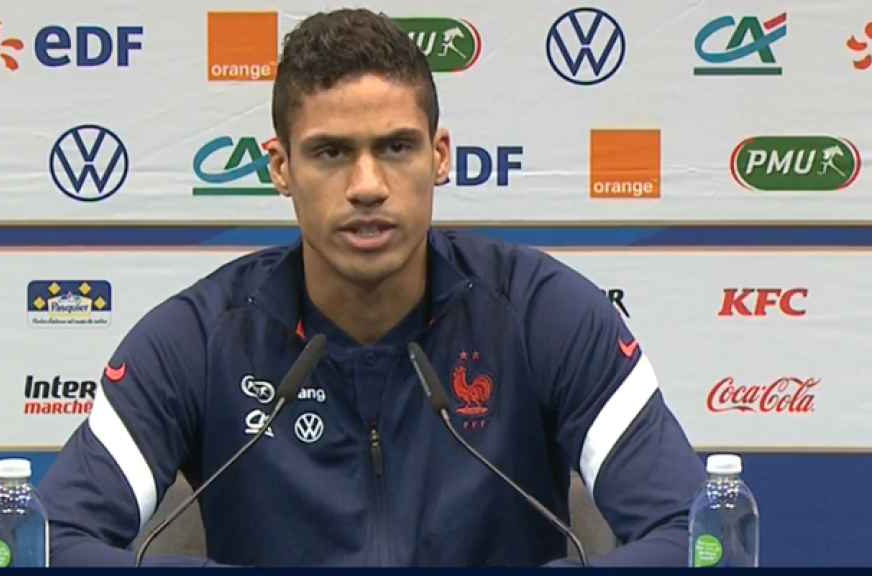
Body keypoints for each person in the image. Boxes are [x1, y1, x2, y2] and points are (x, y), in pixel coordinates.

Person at [39, 8, 705, 566]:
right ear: (280, 167)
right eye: (331, 152)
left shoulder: (541, 314)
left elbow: (698, 533)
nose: (367, 185)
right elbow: (48, 539)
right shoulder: (201, 336)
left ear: (439, 157)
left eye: (395, 147)